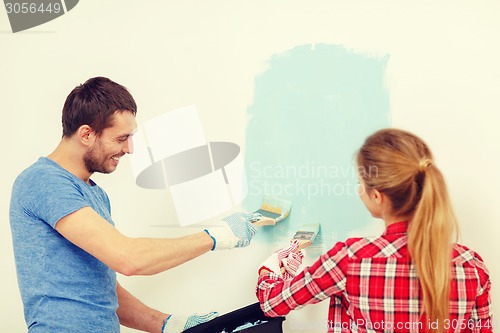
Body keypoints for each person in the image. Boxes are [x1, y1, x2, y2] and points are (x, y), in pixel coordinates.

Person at [9, 76, 257, 333]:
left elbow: (102, 291)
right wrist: (217, 237)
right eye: (121, 138)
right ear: (86, 134)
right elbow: (129, 258)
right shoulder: (43, 181)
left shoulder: (94, 194)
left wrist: (168, 324)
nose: (129, 149)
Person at [256, 128, 493, 332]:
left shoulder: (350, 259)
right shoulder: (471, 266)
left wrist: (270, 268)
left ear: (377, 196)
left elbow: (272, 303)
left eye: (361, 182)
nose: (359, 189)